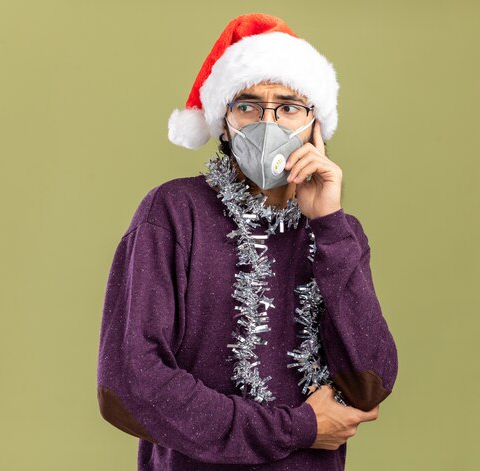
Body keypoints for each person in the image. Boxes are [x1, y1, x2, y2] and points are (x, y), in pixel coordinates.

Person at [96, 12, 398, 471]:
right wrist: (298, 427)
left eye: (289, 106)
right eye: (248, 105)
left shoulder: (338, 232)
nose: (267, 122)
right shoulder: (174, 212)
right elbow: (130, 385)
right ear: (224, 121)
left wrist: (329, 224)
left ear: (315, 125)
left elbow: (369, 382)